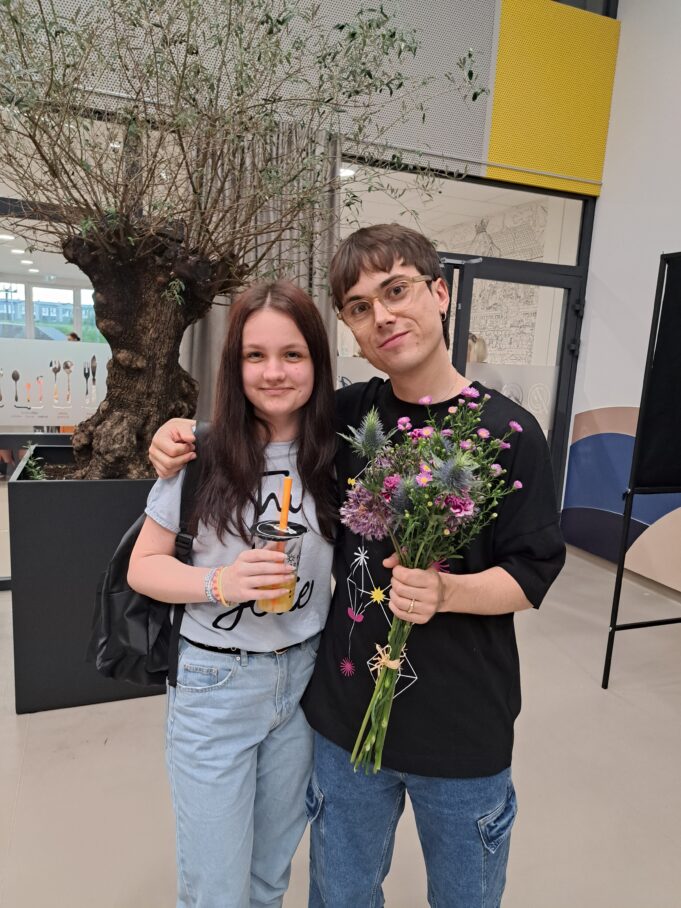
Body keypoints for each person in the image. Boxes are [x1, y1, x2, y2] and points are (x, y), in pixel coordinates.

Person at [149, 224, 566, 908]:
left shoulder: (509, 433)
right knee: (340, 894)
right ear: (349, 328)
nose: (384, 317)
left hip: (463, 729)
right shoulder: (344, 419)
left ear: (440, 293)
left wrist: (447, 592)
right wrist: (178, 436)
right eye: (360, 307)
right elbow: (259, 420)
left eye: (397, 291)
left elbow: (532, 572)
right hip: (342, 727)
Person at [129, 281, 337, 908]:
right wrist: (219, 582)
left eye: (292, 354)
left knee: (269, 878)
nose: (274, 372)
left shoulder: (337, 456)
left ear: (317, 361)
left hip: (303, 682)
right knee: (217, 891)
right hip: (215, 687)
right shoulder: (201, 454)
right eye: (255, 355)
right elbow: (144, 566)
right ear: (233, 364)